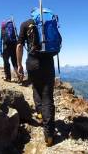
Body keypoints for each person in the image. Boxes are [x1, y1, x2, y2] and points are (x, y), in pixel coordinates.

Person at [16, 17, 58, 147]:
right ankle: (49, 135)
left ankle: (40, 114)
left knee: (36, 87)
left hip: (32, 62)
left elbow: (19, 45)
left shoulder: (25, 23)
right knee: (47, 96)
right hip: (48, 63)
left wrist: (19, 65)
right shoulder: (49, 22)